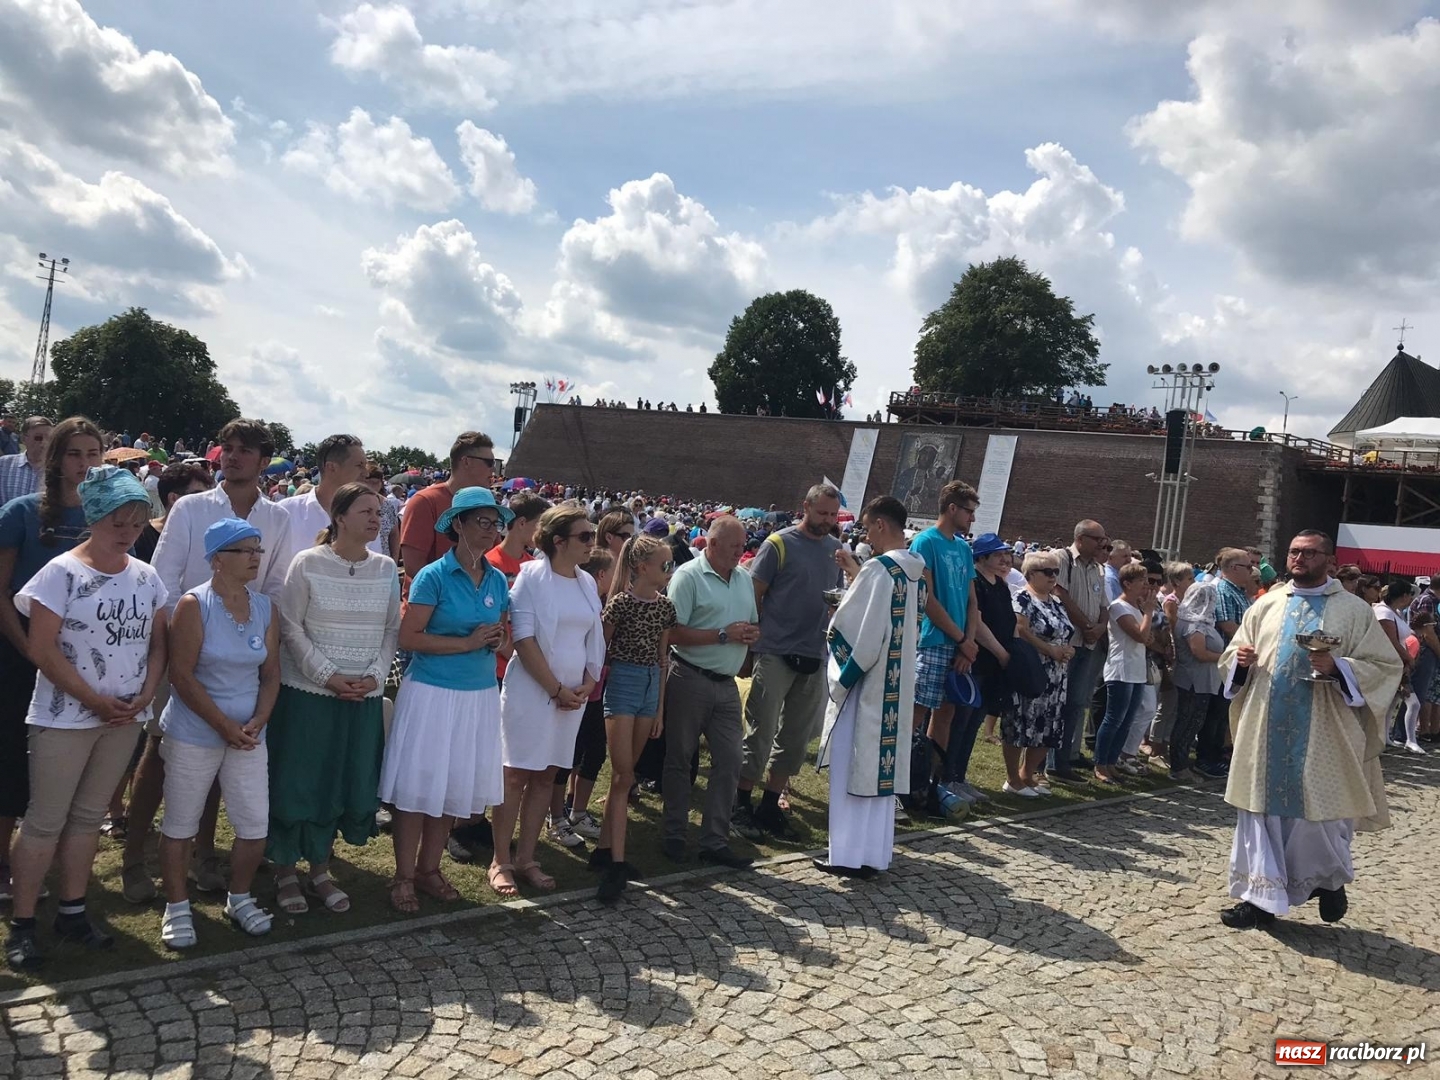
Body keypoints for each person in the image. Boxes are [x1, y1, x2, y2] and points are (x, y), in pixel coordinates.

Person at [5, 465, 168, 970]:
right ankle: (23, 922)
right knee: (45, 819)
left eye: (136, 524)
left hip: (122, 719)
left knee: (88, 815)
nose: (128, 533)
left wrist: (145, 694)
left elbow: (156, 644)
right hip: (64, 718)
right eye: (118, 522)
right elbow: (41, 647)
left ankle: (72, 910)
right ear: (95, 518)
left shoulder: (146, 575)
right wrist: (91, 699)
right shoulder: (61, 573)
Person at [133, 419, 294, 900]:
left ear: (263, 460)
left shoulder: (278, 518)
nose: (232, 456)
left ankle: (204, 854)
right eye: (228, 447)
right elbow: (163, 580)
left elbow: (274, 587)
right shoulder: (192, 507)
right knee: (159, 755)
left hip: (240, 652)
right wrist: (181, 643)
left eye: (244, 450)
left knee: (225, 748)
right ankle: (134, 857)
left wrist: (250, 640)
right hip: (183, 643)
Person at [1218, 530, 1403, 929]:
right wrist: (1240, 662)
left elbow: (1385, 666)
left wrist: (1340, 668)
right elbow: (1233, 655)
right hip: (1266, 726)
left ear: (1329, 561)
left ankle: (1327, 881)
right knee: (1261, 814)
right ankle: (1259, 899)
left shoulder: (1353, 610)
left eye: (1309, 553)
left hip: (1325, 727)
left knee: (1319, 817)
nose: (1299, 559)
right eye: (1294, 552)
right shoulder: (1266, 604)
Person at [269, 482, 401, 915]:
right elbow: (291, 626)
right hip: (308, 695)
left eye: (378, 512)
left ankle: (320, 870)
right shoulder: (307, 563)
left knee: (341, 781)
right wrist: (328, 675)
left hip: (362, 697)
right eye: (365, 511)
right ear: (339, 517)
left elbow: (391, 630)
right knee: (299, 780)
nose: (375, 519)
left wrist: (374, 675)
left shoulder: (385, 568)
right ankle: (285, 870)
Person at [381, 489, 511, 913]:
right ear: (458, 524)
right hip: (432, 693)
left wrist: (497, 641)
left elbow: (502, 636)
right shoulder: (432, 576)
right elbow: (408, 638)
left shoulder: (496, 580)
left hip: (478, 695)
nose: (491, 531)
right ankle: (404, 876)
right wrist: (467, 643)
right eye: (482, 522)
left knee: (451, 786)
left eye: (496, 523)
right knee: (418, 787)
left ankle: (429, 869)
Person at [156, 519, 280, 948]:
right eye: (245, 550)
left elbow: (271, 674)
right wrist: (223, 725)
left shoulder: (265, 607)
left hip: (248, 736)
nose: (255, 557)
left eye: (257, 549)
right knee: (181, 823)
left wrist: (259, 719)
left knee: (254, 825)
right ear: (217, 559)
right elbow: (181, 674)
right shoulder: (194, 604)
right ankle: (177, 906)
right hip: (194, 733)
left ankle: (239, 898)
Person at [0, 416, 103, 908]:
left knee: (72, 767)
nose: (84, 464)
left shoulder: (106, 516)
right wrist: (28, 647)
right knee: (10, 760)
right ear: (56, 458)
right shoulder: (20, 513)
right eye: (74, 454)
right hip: (20, 656)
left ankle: (62, 865)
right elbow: (2, 591)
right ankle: (4, 865)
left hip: (86, 663)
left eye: (92, 454)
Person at [491, 505, 604, 896]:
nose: (592, 543)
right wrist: (555, 689)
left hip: (572, 697)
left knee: (546, 776)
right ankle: (500, 860)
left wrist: (588, 682)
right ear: (559, 541)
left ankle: (527, 858)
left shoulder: (586, 581)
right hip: (531, 691)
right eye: (584, 536)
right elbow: (523, 639)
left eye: (592, 535)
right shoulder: (529, 577)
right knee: (515, 775)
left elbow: (593, 636)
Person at [734, 484, 854, 841]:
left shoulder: (834, 550)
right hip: (775, 650)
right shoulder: (779, 544)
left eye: (832, 515)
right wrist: (752, 644)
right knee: (760, 731)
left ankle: (771, 803)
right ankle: (740, 802)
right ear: (806, 507)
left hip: (814, 651)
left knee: (796, 737)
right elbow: (754, 594)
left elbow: (836, 597)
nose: (828, 520)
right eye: (822, 513)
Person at [813, 496, 924, 878]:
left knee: (852, 769)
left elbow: (862, 635)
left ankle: (845, 855)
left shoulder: (879, 569)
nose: (865, 536)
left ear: (880, 524)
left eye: (866, 527)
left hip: (868, 687)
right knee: (880, 774)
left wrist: (836, 621)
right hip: (897, 685)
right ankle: (874, 855)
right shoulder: (914, 570)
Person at [661, 516, 760, 867]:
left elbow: (751, 622)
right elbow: (671, 632)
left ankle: (714, 841)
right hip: (689, 676)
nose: (740, 552)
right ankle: (674, 833)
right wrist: (723, 635)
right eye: (735, 546)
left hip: (726, 683)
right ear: (713, 544)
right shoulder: (688, 577)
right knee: (680, 758)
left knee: (730, 760)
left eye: (743, 545)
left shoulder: (743, 578)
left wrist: (751, 634)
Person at [590, 535, 677, 902]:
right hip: (624, 681)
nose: (669, 571)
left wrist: (659, 709)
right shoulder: (620, 604)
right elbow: (601, 649)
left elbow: (662, 657)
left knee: (625, 776)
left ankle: (605, 850)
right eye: (665, 565)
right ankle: (617, 862)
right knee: (623, 775)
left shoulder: (665, 607)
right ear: (643, 567)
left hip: (649, 685)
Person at [1006, 550, 1075, 796]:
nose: (1053, 576)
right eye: (1047, 572)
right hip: (1032, 669)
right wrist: (1049, 650)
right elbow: (1021, 630)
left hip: (1057, 674)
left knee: (1049, 725)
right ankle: (1013, 779)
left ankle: (1028, 774)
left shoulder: (1056, 601)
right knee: (1022, 723)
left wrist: (1067, 650)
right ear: (1031, 573)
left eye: (1056, 571)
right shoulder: (1023, 598)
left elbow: (1065, 631)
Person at [1050, 520, 1109, 782]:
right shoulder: (1063, 559)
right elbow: (1060, 594)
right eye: (1098, 539)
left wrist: (1100, 627)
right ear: (1081, 538)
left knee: (1075, 703)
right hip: (1068, 643)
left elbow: (1104, 605)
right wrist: (1086, 625)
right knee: (1058, 702)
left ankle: (1063, 761)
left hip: (1088, 643)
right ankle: (1048, 762)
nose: (1102, 544)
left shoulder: (1098, 568)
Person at [1092, 563, 1155, 785]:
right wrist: (1149, 613)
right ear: (1127, 583)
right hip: (1121, 669)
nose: (1146, 585)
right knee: (1114, 718)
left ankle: (1112, 761)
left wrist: (1146, 617)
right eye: (1141, 581)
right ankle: (1100, 763)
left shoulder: (1137, 607)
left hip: (1137, 669)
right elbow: (1140, 636)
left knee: (1127, 720)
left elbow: (1148, 638)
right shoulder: (1119, 607)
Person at [278, 434, 367, 572]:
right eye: (359, 465)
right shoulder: (286, 512)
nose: (366, 473)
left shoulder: (368, 516)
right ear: (331, 467)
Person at [1171, 581, 1228, 780]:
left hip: (1203, 680)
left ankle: (1183, 763)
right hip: (1194, 681)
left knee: (1193, 723)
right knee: (1188, 724)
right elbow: (1199, 653)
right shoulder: (1194, 623)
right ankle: (1179, 767)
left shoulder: (1200, 621)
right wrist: (1226, 657)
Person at [0, 416, 53, 506]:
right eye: (38, 438)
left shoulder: (58, 470)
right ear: (24, 439)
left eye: (49, 438)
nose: (44, 443)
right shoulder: (3, 465)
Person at [1213, 548, 1254, 642]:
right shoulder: (1223, 591)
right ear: (1235, 568)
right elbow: (1228, 627)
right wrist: (1253, 641)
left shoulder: (1239, 591)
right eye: (1249, 567)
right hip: (1234, 649)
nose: (1252, 570)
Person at [364, 461, 401, 559]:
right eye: (367, 482)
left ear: (381, 484)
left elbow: (394, 535)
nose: (371, 487)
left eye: (375, 483)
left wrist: (394, 560)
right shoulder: (353, 504)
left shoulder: (387, 504)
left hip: (383, 560)